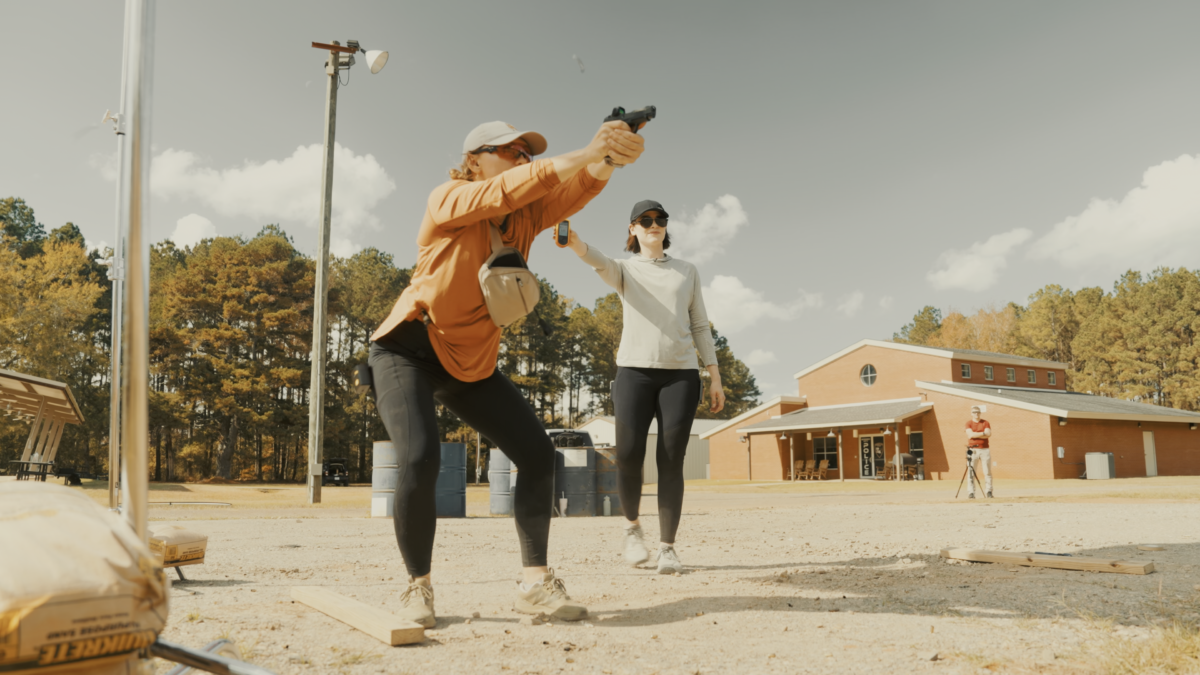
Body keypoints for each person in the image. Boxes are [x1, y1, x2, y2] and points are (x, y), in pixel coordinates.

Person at [367, 118, 646, 627]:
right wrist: (589, 150)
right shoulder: (448, 199)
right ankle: (417, 588)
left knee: (538, 455)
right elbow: (514, 187)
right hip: (408, 349)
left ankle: (535, 585)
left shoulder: (524, 216)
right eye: (510, 150)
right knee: (421, 456)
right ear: (474, 159)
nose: (521, 158)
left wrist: (610, 157)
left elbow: (576, 189)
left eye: (525, 152)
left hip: (471, 363)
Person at [561, 199, 724, 574]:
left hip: (680, 375)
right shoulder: (625, 270)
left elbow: (700, 325)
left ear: (666, 226)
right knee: (630, 455)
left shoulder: (687, 271)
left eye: (660, 219)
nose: (654, 224)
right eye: (645, 220)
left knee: (671, 460)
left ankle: (667, 549)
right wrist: (575, 243)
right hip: (634, 372)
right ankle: (632, 527)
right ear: (632, 229)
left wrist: (714, 376)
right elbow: (597, 260)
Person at [965, 405, 992, 498]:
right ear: (971, 413)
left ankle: (989, 491)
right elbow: (970, 435)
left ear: (980, 413)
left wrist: (975, 434)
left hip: (984, 449)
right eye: (974, 412)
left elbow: (988, 434)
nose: (976, 414)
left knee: (987, 471)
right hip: (973, 450)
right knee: (971, 472)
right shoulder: (968, 423)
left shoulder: (985, 422)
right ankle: (971, 492)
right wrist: (983, 433)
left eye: (977, 412)